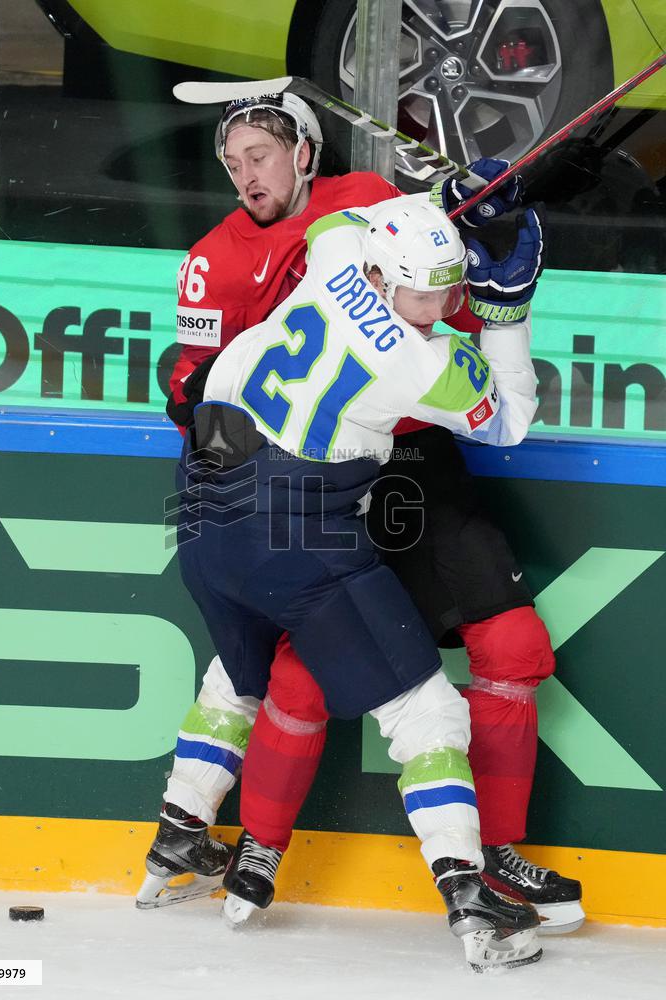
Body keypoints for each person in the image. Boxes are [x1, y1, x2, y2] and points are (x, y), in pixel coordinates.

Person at [139, 93, 583, 934]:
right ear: (388, 277)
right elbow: (511, 418)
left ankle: (177, 833)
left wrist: (435, 205)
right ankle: (468, 893)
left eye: (446, 294)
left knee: (240, 670)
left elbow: (346, 225)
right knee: (426, 711)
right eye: (426, 294)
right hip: (300, 525)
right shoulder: (425, 366)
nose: (436, 310)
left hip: (202, 509)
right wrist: (506, 308)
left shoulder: (338, 252)